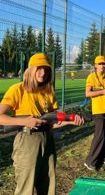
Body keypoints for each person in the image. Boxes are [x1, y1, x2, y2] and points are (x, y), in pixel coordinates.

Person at [0, 53, 84, 195]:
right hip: (27, 141)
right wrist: (25, 121)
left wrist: (71, 120)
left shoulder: (48, 92)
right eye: (39, 68)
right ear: (30, 70)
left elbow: (52, 123)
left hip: (47, 140)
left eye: (46, 69)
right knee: (26, 189)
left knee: (48, 186)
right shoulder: (18, 89)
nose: (43, 72)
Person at [84, 55, 105, 170]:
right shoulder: (91, 77)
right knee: (99, 136)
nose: (102, 66)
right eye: (99, 64)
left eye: (103, 64)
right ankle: (90, 161)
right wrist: (102, 92)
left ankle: (101, 159)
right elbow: (88, 93)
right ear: (95, 65)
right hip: (98, 110)